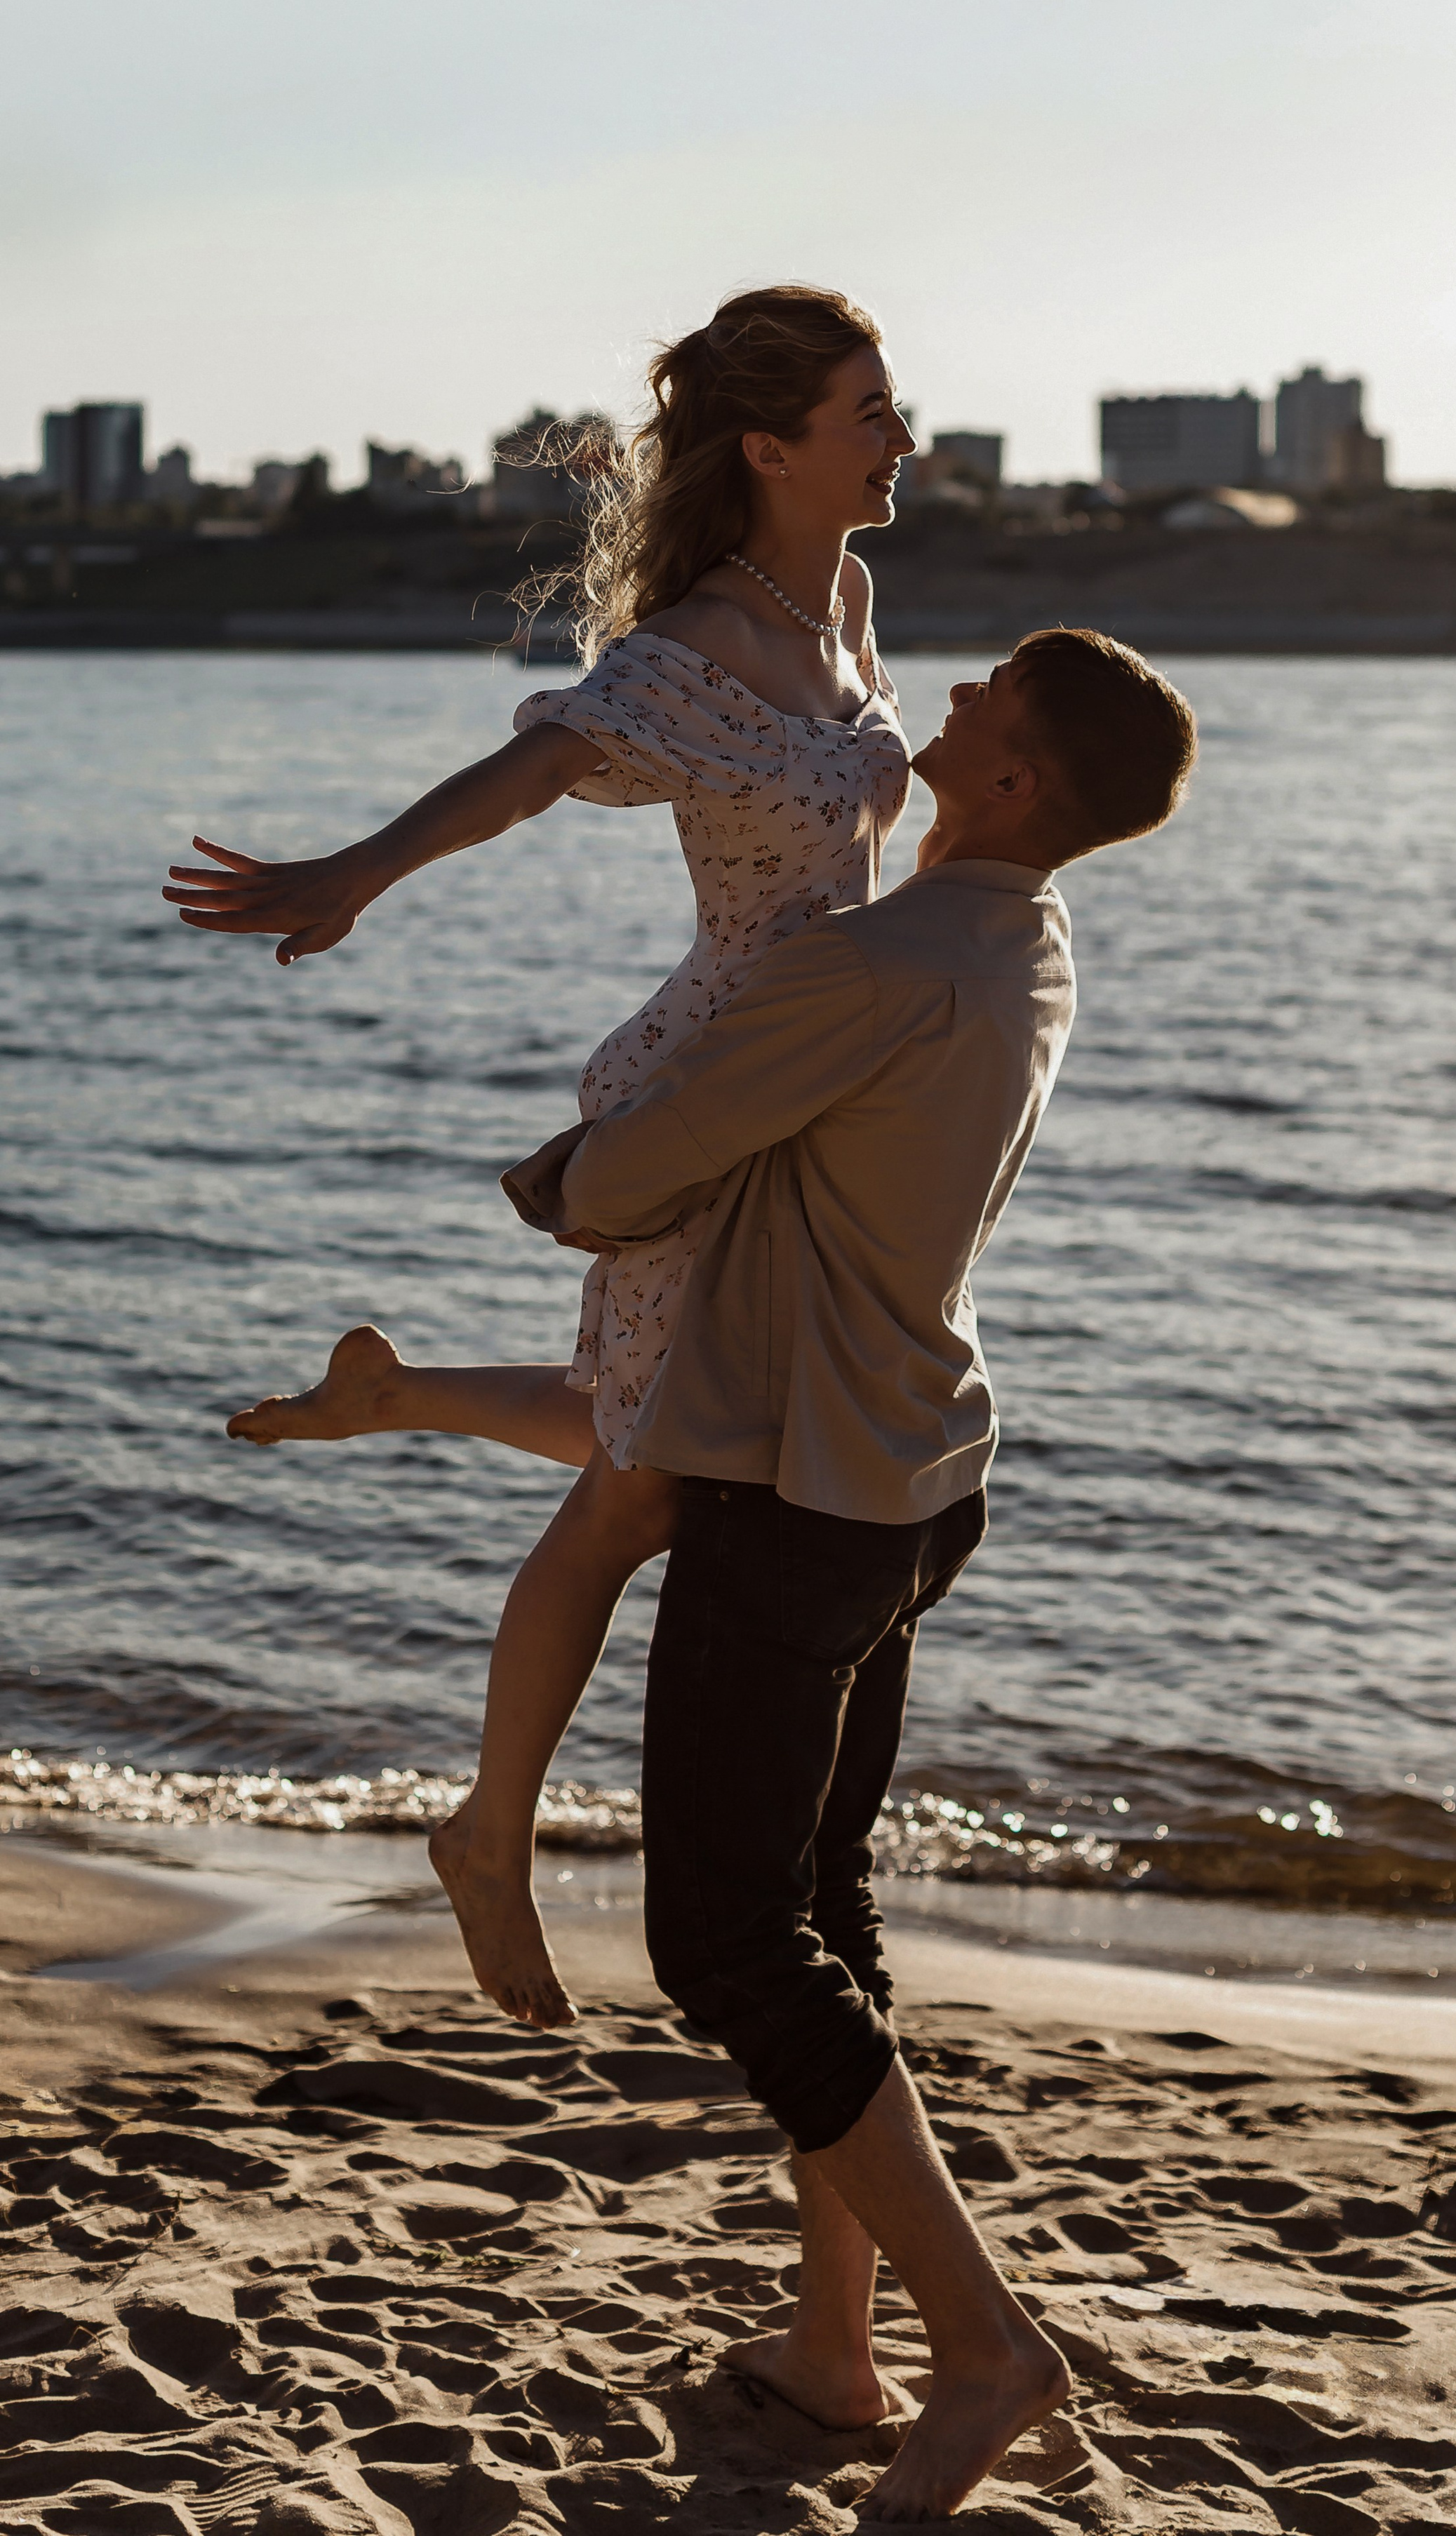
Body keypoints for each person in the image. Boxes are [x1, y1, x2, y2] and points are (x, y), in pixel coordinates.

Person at [505, 625, 1196, 2522]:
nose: (945, 706)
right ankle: (839, 2344)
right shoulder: (1025, 943)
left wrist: (552, 1183)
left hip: (797, 1488)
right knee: (817, 1908)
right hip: (914, 1474)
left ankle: (984, 2343)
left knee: (723, 1941)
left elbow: (650, 1165)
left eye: (979, 709)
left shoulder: (880, 961)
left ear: (1020, 782)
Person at [163, 285, 916, 2027]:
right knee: (646, 1484)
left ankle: (395, 1396)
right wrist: (353, 872)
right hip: (717, 1095)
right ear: (771, 445)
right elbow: (529, 773)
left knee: (694, 1424)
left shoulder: (850, 602)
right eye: (872, 410)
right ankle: (487, 1836)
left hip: (825, 1094)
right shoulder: (691, 653)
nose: (904, 439)